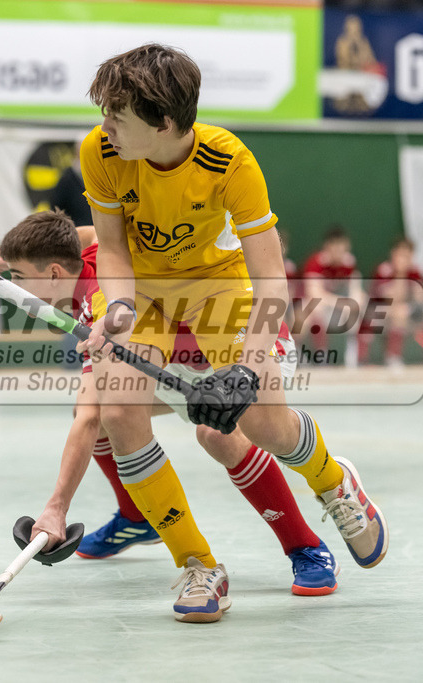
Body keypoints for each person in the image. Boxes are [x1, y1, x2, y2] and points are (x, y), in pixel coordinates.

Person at [80, 44, 388, 622]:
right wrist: (116, 310)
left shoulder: (230, 162)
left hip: (223, 287)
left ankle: (332, 480)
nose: (105, 127)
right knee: (118, 412)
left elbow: (273, 279)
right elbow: (113, 248)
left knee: (262, 424)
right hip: (144, 291)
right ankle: (198, 565)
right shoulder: (100, 151)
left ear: (164, 122)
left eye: (117, 116)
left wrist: (247, 368)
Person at [0, 210, 341, 601]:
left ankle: (304, 546)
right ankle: (137, 517)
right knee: (111, 417)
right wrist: (10, 259)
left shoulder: (103, 309)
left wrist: (56, 508)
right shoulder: (85, 257)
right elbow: (80, 234)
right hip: (182, 357)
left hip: (247, 345)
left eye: (18, 280)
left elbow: (88, 418)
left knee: (215, 435)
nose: (16, 291)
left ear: (53, 274)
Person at [362, 237, 423, 368]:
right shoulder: (384, 270)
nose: (404, 259)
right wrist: (400, 274)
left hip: (405, 309)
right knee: (399, 313)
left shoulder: (415, 271)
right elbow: (392, 299)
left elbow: (419, 298)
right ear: (393, 254)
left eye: (407, 255)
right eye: (400, 255)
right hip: (378, 312)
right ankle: (393, 357)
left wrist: (417, 304)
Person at [299, 225, 366, 363]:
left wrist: (356, 299)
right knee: (313, 309)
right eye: (335, 247)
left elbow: (356, 288)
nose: (338, 251)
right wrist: (343, 302)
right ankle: (316, 354)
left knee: (363, 303)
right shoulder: (315, 262)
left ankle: (355, 356)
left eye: (342, 247)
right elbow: (314, 294)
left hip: (335, 306)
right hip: (308, 306)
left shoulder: (349, 262)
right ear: (327, 246)